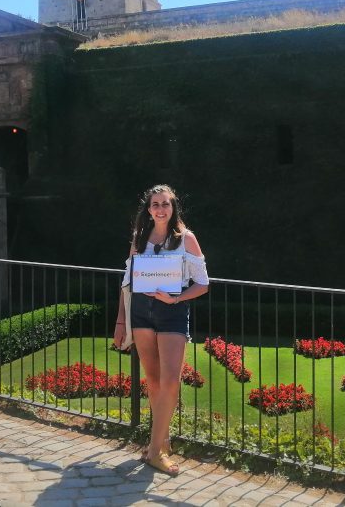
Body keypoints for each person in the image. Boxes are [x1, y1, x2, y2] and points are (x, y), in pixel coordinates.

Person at [114, 184, 209, 476]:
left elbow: (203, 284)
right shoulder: (139, 238)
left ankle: (154, 452)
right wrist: (120, 321)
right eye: (155, 204)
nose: (160, 209)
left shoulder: (186, 239)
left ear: (173, 207)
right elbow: (127, 281)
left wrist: (176, 297)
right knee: (153, 382)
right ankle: (162, 442)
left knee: (170, 381)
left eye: (165, 204)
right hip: (141, 313)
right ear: (148, 208)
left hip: (172, 314)